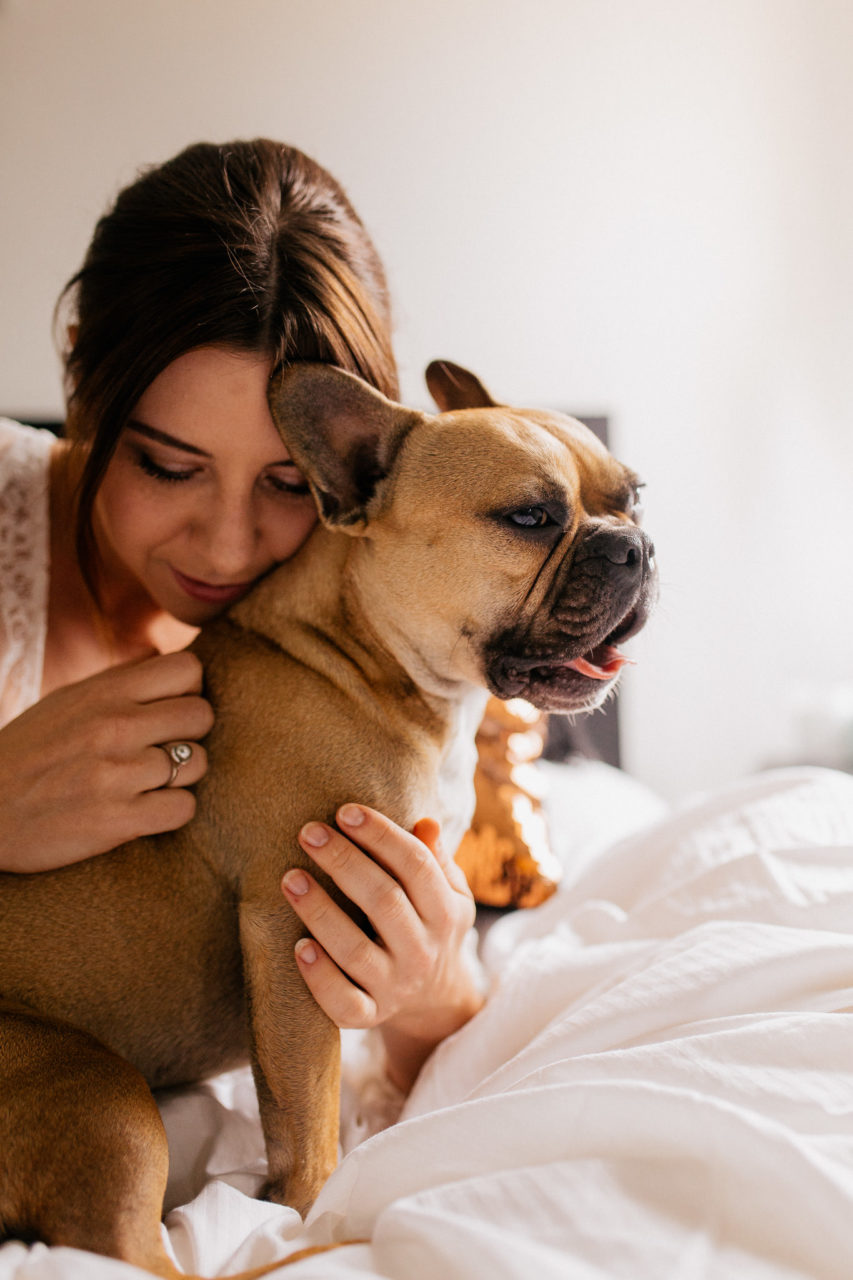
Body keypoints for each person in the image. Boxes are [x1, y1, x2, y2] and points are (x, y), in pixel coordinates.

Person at [0, 138, 483, 1095]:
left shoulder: (391, 618)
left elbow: (430, 1064)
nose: (227, 549)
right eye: (167, 467)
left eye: (287, 483)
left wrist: (427, 987)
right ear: (78, 386)